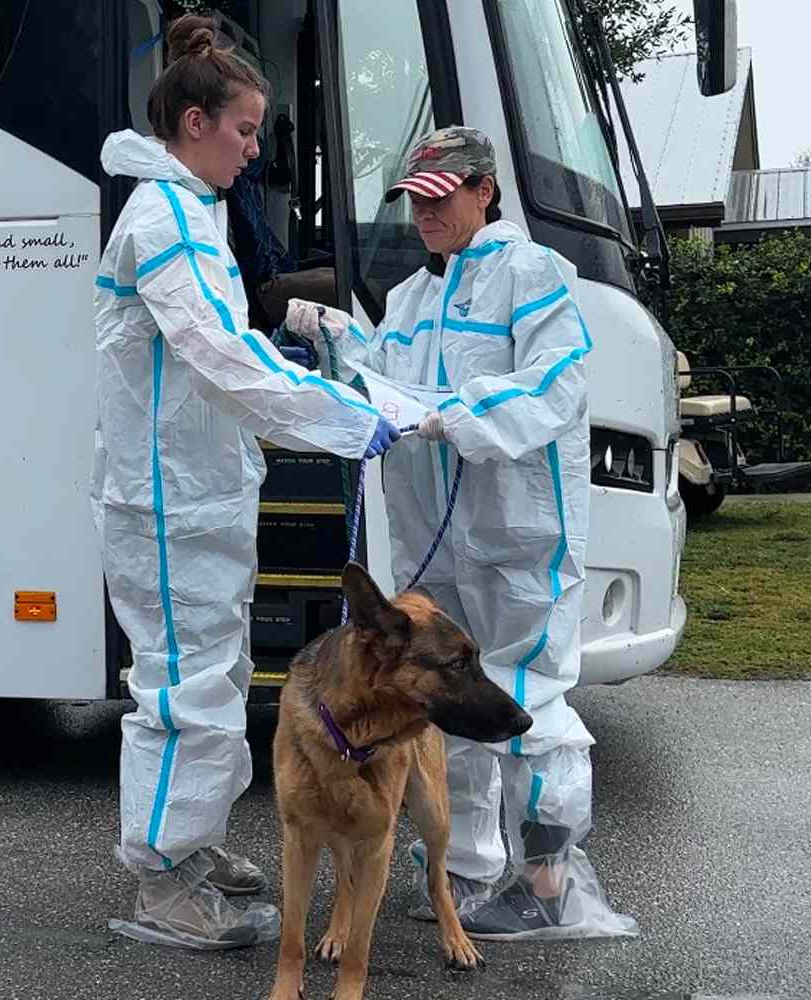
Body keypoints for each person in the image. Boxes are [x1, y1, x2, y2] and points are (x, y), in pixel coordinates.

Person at [91, 14, 399, 950]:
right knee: (186, 689)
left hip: (198, 491)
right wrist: (345, 419)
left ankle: (189, 846)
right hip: (168, 500)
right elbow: (218, 358)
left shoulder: (197, 213)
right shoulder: (167, 219)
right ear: (193, 123)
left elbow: (218, 344)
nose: (256, 150)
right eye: (246, 130)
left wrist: (302, 328)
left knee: (214, 676)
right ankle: (162, 877)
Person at [285, 126, 635, 940]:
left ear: (484, 189)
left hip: (519, 532)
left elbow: (555, 384)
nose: (425, 218)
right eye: (414, 203)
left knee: (529, 693)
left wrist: (461, 416)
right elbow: (382, 380)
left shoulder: (533, 274)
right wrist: (336, 338)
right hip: (436, 539)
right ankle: (470, 870)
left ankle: (551, 877)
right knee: (449, 704)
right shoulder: (411, 298)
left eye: (440, 201)